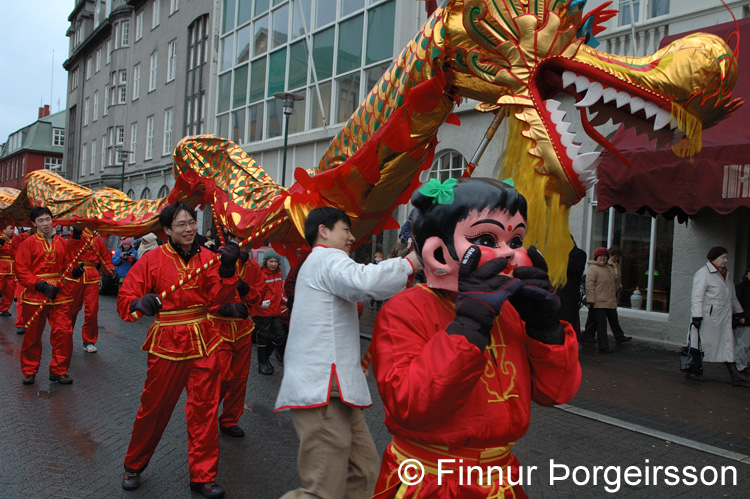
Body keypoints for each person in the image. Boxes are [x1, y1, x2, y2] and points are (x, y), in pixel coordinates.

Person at [369, 178, 581, 498]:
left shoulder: (508, 312)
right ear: (438, 253)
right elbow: (410, 405)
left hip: (499, 482)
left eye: (515, 240)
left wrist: (545, 330)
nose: (509, 253)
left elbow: (556, 393)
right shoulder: (404, 310)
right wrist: (469, 325)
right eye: (486, 238)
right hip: (431, 484)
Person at [275, 206, 421, 499]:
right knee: (323, 489)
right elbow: (364, 282)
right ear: (324, 231)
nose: (352, 237)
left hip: (334, 387)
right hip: (322, 386)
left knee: (363, 472)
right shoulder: (326, 257)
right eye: (346, 229)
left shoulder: (321, 262)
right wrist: (409, 264)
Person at [116, 202, 240, 498]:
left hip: (203, 339)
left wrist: (227, 269)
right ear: (167, 230)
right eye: (181, 224)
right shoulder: (152, 260)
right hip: (167, 343)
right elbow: (125, 298)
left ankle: (203, 476)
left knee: (205, 410)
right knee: (154, 407)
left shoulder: (209, 258)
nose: (188, 229)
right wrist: (139, 303)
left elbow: (218, 299)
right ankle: (133, 465)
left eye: (191, 223)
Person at [15, 206, 83, 385]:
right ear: (34, 224)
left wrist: (74, 272)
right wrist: (40, 285)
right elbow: (21, 270)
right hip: (35, 294)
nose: (45, 224)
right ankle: (29, 370)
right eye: (41, 221)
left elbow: (67, 266)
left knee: (64, 332)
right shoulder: (27, 243)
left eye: (47, 219)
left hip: (59, 294)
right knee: (33, 335)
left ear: (52, 220)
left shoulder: (62, 242)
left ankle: (59, 370)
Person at [209, 231, 265, 438]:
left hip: (243, 330)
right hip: (217, 329)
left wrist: (245, 289)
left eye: (250, 237)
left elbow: (258, 296)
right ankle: (207, 417)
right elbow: (204, 294)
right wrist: (220, 309)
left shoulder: (253, 267)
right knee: (220, 377)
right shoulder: (213, 262)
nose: (247, 242)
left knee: (239, 379)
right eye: (242, 238)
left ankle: (230, 419)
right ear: (230, 237)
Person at [689, 247, 747, 386]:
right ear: (714, 258)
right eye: (723, 257)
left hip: (723, 317)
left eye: (726, 257)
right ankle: (692, 369)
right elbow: (697, 297)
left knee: (727, 344)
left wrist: (739, 312)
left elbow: (731, 296)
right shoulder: (703, 274)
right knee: (701, 344)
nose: (726, 260)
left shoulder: (726, 275)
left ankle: (734, 373)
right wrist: (696, 316)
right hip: (708, 318)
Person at [68, 228, 117, 353]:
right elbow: (68, 253)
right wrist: (76, 238)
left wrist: (111, 270)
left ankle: (89, 340)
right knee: (71, 309)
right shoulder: (74, 236)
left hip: (92, 276)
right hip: (76, 275)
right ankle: (66, 336)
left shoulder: (98, 239)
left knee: (92, 310)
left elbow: (105, 258)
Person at [585, 247, 631, 353]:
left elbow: (613, 284)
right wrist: (591, 300)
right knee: (601, 326)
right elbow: (590, 285)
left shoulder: (610, 268)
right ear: (596, 257)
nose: (603, 258)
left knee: (596, 323)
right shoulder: (593, 269)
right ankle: (603, 347)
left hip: (609, 301)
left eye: (605, 256)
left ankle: (584, 338)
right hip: (598, 302)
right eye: (601, 256)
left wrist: (618, 287)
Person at [252, 249, 286, 375]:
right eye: (271, 261)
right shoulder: (260, 274)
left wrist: (285, 302)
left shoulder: (278, 273)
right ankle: (262, 363)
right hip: (263, 311)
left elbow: (279, 292)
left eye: (276, 261)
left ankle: (265, 359)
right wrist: (260, 303)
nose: (273, 264)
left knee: (279, 336)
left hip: (275, 310)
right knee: (263, 336)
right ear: (266, 261)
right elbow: (255, 292)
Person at [557, 238, 586, 343]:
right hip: (558, 293)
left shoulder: (579, 254)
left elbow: (574, 268)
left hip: (570, 294)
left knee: (569, 320)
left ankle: (569, 342)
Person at [0, 223, 17, 316]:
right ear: (4, 229)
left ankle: (4, 309)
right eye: (10, 229)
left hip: (12, 269)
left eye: (13, 229)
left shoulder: (16, 238)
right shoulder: (1, 238)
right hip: (1, 268)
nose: (12, 231)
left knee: (9, 291)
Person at [735, 268, 750, 374]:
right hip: (746, 320)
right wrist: (740, 317)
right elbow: (736, 304)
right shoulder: (741, 288)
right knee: (743, 345)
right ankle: (741, 367)